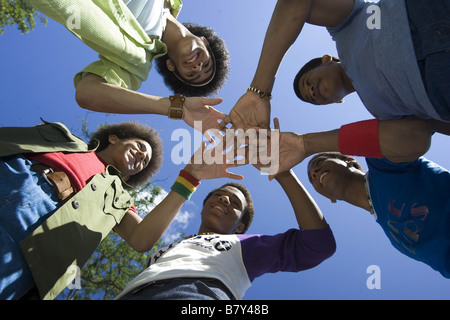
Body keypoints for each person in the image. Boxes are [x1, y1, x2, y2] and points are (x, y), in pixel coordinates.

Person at [0, 120, 242, 300]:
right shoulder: (64, 138)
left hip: (28, 249)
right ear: (114, 138)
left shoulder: (118, 198)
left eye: (144, 162)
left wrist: (190, 176)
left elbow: (141, 239)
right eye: (139, 146)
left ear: (130, 175)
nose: (140, 156)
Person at [115, 119, 336, 300]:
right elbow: (137, 237)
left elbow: (318, 245)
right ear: (203, 208)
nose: (224, 199)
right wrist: (190, 175)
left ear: (239, 226)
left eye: (235, 203)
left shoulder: (246, 246)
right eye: (219, 194)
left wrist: (282, 173)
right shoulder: (174, 247)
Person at [222, 0, 450, 132]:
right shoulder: (379, 111)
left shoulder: (344, 27)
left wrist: (259, 91)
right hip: (439, 91)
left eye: (308, 82)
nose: (312, 91)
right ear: (337, 101)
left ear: (326, 59)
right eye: (312, 97)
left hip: (424, 14)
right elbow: (427, 128)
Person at [265, 118, 450, 278]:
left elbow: (414, 131)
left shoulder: (383, 166)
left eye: (319, 162)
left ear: (349, 160)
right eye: (312, 179)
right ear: (330, 199)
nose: (314, 173)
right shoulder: (394, 238)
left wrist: (305, 144)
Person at [24, 0, 229, 136]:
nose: (197, 66)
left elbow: (87, 94)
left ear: (171, 66)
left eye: (192, 74)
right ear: (205, 42)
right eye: (206, 65)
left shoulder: (136, 61)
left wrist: (176, 107)